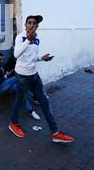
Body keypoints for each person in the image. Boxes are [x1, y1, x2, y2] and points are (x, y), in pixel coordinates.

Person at [8, 15, 75, 143]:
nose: (32, 25)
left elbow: (31, 57)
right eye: (29, 23)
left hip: (34, 75)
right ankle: (13, 123)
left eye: (34, 23)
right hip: (22, 75)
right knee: (20, 100)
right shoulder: (21, 37)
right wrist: (28, 39)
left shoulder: (37, 39)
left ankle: (55, 133)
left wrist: (41, 58)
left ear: (37, 26)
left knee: (45, 101)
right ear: (26, 25)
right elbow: (16, 54)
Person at [0, 53, 41, 121]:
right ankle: (35, 97)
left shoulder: (1, 65)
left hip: (6, 87)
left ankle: (31, 111)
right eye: (0, 59)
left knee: (20, 89)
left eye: (2, 59)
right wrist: (6, 76)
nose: (2, 61)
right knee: (16, 78)